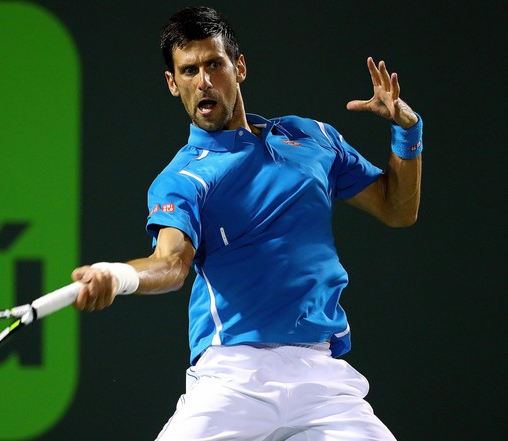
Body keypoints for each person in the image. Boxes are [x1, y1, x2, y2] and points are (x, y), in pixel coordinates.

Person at [71, 6, 422, 441]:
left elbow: (397, 208)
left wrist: (407, 130)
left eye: (214, 65)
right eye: (189, 70)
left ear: (238, 68)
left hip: (322, 377)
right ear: (172, 83)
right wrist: (118, 275)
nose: (204, 81)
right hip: (232, 377)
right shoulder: (181, 180)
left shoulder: (313, 138)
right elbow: (170, 263)